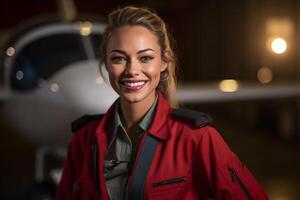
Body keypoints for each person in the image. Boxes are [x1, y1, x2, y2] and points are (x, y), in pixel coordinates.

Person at [56, 6, 269, 200]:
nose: (132, 70)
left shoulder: (196, 138)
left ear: (164, 62)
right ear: (106, 63)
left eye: (145, 58)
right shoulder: (83, 140)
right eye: (119, 58)